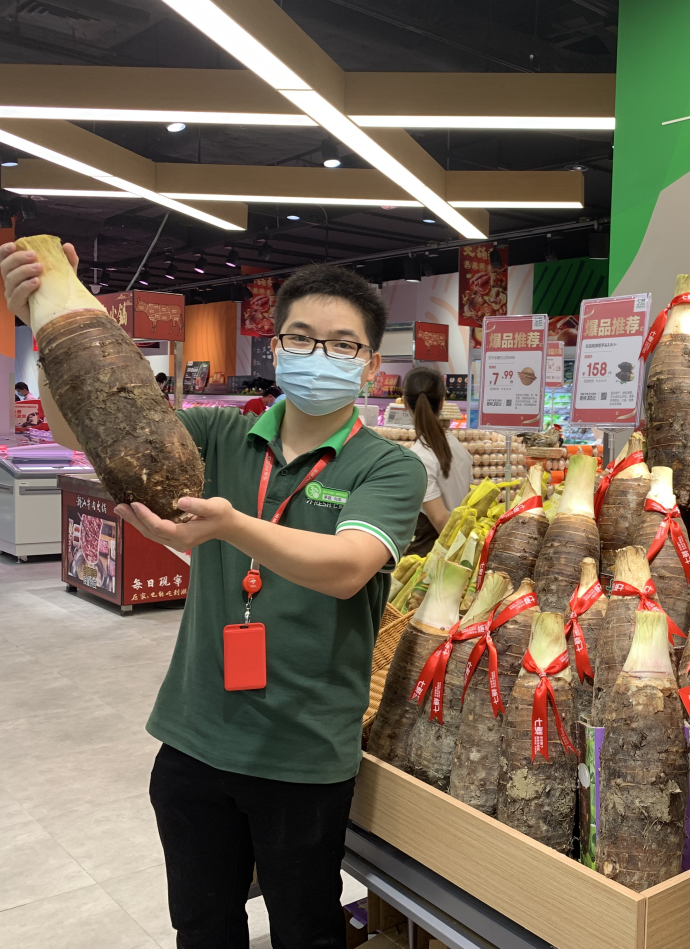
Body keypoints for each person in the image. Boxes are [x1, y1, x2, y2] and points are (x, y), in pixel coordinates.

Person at [1, 244, 426, 949]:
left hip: (302, 751)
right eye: (301, 338)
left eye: (342, 344)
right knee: (202, 927)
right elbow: (88, 432)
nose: (318, 355)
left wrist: (232, 525)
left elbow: (348, 568)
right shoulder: (218, 433)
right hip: (194, 735)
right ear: (276, 345)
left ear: (370, 363)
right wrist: (48, 334)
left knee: (306, 931)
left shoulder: (386, 466)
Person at [402, 366, 472, 556]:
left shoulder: (419, 456)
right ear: (442, 403)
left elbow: (440, 519)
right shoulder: (457, 446)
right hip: (457, 543)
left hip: (432, 554)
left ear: (405, 403)